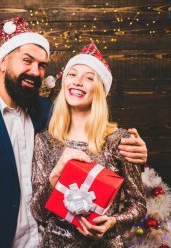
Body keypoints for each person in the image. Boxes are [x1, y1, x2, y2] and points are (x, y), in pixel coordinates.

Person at [0, 17, 147, 248]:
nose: (35, 71)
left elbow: (86, 128)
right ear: (3, 62)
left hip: (41, 241)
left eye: (42, 65)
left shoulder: (46, 112)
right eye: (27, 61)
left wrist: (137, 150)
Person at [30, 42, 147, 247]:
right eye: (72, 75)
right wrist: (55, 175)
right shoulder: (44, 140)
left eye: (89, 78)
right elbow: (38, 213)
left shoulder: (118, 141)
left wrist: (112, 222)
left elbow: (138, 205)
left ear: (99, 90)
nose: (78, 82)